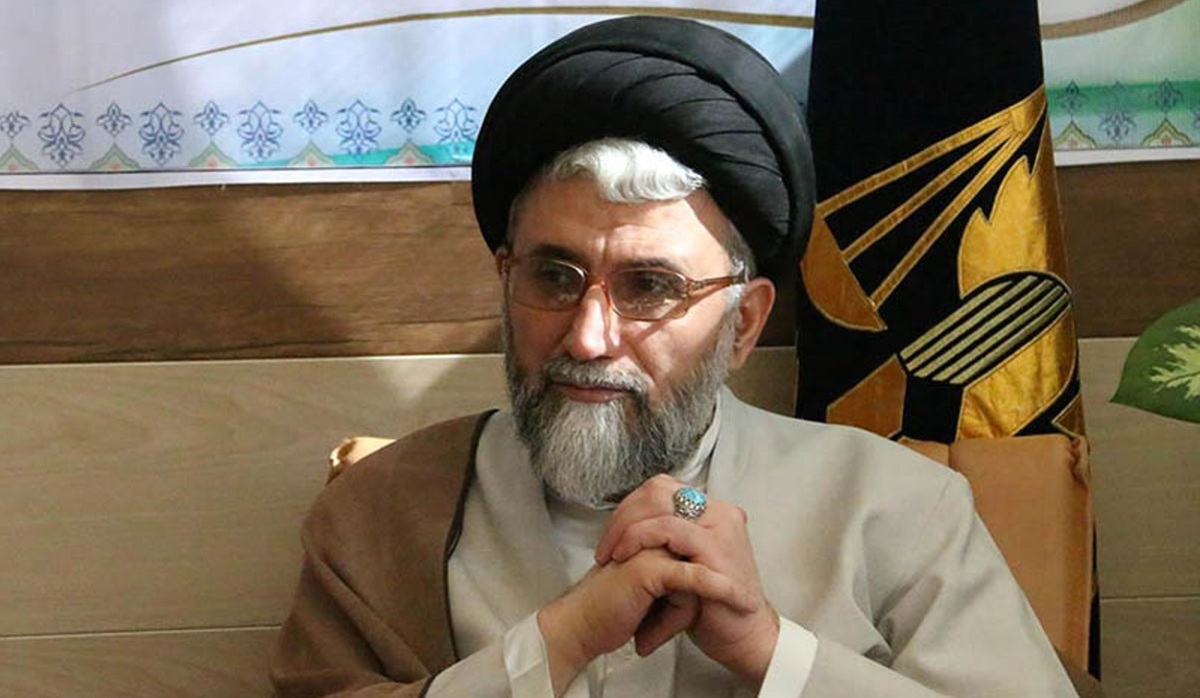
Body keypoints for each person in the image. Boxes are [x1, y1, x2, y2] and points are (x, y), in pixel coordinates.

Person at [271, 16, 1080, 698]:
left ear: (743, 324)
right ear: (505, 278)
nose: (588, 338)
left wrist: (771, 651)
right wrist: (558, 643)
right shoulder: (382, 512)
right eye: (554, 276)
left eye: (650, 287)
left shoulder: (896, 506)